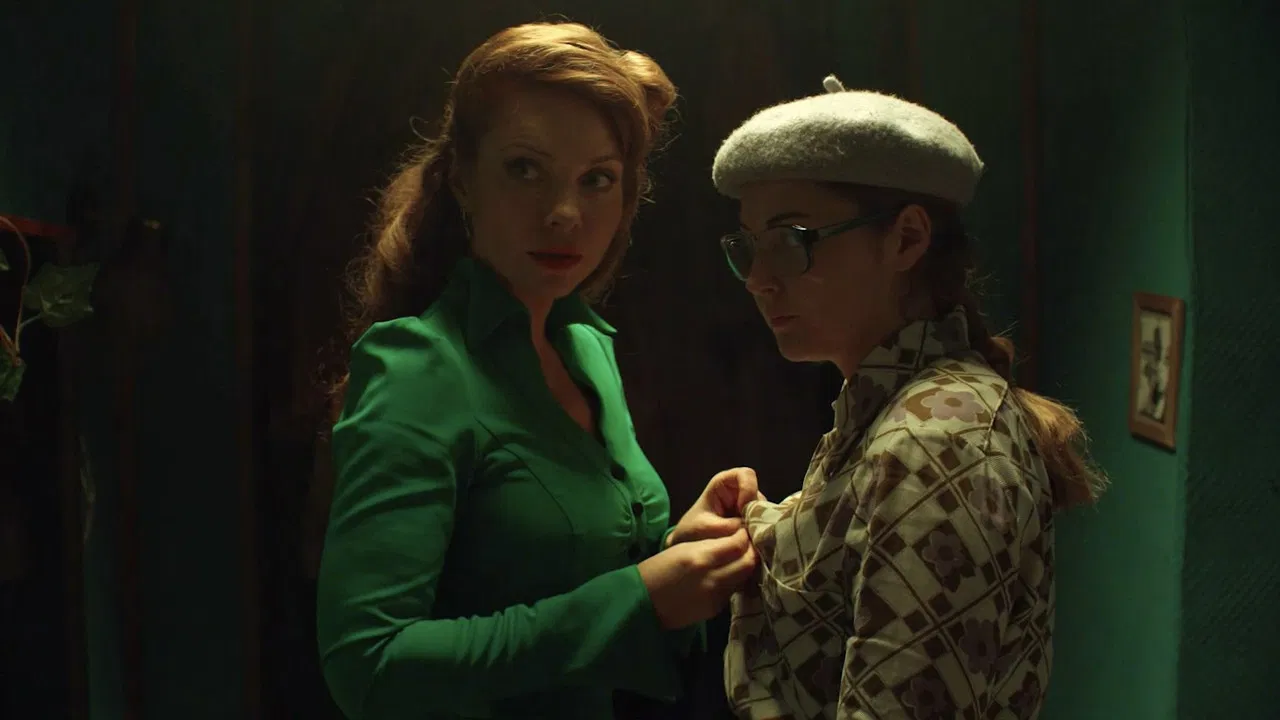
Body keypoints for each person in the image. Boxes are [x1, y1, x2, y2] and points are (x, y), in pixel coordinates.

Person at [316, 22, 761, 720]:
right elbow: (368, 669)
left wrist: (680, 553)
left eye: (597, 180)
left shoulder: (585, 348)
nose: (563, 213)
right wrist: (639, 598)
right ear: (463, 179)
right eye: (525, 169)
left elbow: (564, 576)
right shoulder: (419, 366)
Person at [710, 75, 1108, 719]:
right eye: (748, 246)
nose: (757, 279)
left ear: (906, 239)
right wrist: (748, 528)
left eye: (790, 240)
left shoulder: (934, 440)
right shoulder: (892, 403)